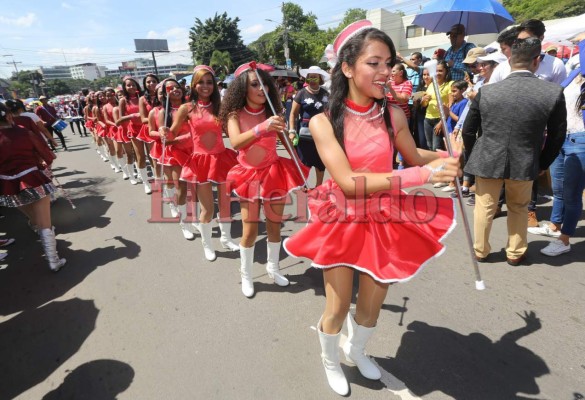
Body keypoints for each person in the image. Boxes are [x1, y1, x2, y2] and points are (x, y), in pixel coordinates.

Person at [283, 20, 460, 396]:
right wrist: (422, 177)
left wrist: (450, 156)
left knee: (372, 304)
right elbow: (349, 181)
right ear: (347, 67)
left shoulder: (393, 114)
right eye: (374, 63)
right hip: (343, 217)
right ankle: (331, 359)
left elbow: (413, 156)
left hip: (384, 216)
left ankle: (357, 349)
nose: (386, 72)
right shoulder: (323, 122)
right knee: (338, 304)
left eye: (389, 63)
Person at [462, 37, 567, 267]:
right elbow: (557, 135)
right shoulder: (553, 92)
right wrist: (542, 162)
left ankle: (480, 250)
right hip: (526, 158)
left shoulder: (487, 92)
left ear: (509, 61)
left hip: (487, 157)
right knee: (519, 206)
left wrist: (475, 153)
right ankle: (515, 252)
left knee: (484, 205)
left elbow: (468, 131)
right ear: (537, 60)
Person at [219, 62, 309, 298]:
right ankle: (246, 275)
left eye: (264, 85)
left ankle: (273, 268)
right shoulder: (234, 115)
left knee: (274, 225)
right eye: (254, 84)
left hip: (273, 173)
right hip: (248, 176)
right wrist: (262, 127)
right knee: (249, 231)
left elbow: (287, 143)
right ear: (242, 89)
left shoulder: (272, 113)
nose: (261, 89)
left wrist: (298, 167)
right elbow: (237, 142)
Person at [173, 65, 239, 256]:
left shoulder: (221, 107)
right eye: (201, 82)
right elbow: (173, 132)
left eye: (209, 82)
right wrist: (164, 132)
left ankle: (226, 239)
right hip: (200, 162)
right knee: (207, 208)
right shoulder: (187, 108)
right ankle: (208, 245)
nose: (205, 86)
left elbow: (230, 131)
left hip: (221, 159)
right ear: (193, 85)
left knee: (225, 204)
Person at [0, 102, 66, 271]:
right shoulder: (24, 132)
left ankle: (39, 233)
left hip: (8, 185)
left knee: (34, 219)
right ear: (8, 116)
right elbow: (47, 156)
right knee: (44, 222)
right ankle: (53, 260)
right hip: (33, 179)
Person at [528, 66, 585, 256]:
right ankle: (555, 226)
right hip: (562, 136)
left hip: (581, 138)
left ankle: (565, 239)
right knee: (558, 189)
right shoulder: (574, 71)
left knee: (572, 193)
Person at [157, 79, 193, 227]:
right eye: (170, 88)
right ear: (165, 93)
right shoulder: (164, 112)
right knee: (181, 187)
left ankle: (191, 214)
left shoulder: (191, 107)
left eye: (177, 87)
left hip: (194, 151)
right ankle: (184, 222)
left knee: (195, 186)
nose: (174, 90)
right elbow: (164, 141)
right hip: (176, 153)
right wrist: (183, 138)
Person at [288, 65, 330, 187]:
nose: (312, 80)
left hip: (321, 135)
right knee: (303, 162)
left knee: (320, 162)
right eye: (310, 77)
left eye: (315, 77)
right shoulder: (301, 93)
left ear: (320, 78)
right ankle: (303, 185)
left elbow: (330, 113)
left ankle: (319, 187)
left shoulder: (326, 94)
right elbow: (293, 114)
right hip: (304, 134)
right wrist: (291, 130)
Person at [421, 60, 452, 153]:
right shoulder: (431, 84)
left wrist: (441, 122)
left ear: (446, 71)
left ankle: (440, 166)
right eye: (436, 71)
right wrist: (423, 101)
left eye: (440, 71)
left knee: (437, 147)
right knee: (430, 146)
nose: (437, 73)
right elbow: (424, 105)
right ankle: (433, 166)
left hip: (440, 119)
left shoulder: (450, 85)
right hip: (428, 118)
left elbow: (451, 106)